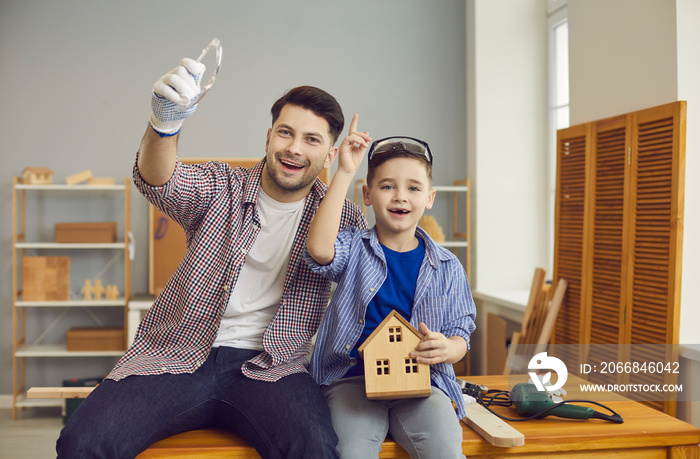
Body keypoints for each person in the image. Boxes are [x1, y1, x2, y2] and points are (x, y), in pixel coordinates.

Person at [56, 55, 367, 458]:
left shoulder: (342, 216)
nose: (293, 148)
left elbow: (373, 284)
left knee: (314, 446)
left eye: (311, 140)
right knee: (83, 442)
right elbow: (160, 181)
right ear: (269, 137)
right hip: (180, 353)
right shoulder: (222, 185)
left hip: (274, 366)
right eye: (285, 134)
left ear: (330, 155)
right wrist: (164, 124)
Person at [305, 128, 476, 458]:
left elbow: (461, 337)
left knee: (445, 448)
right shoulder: (354, 247)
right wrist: (344, 172)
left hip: (423, 385)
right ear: (368, 195)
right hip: (352, 381)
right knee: (351, 450)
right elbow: (319, 250)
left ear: (429, 197)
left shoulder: (448, 266)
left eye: (413, 187)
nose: (400, 196)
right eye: (387, 186)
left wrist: (447, 348)